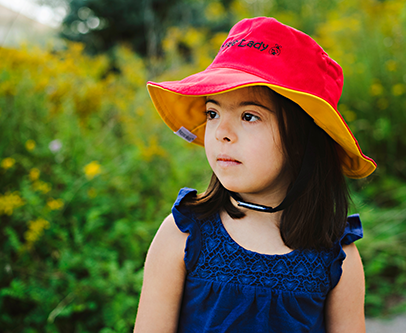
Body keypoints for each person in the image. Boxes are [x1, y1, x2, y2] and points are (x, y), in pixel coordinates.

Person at [134, 17, 376, 333]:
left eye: (249, 116)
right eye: (212, 113)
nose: (222, 132)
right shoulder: (182, 234)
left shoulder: (336, 256)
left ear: (302, 139)